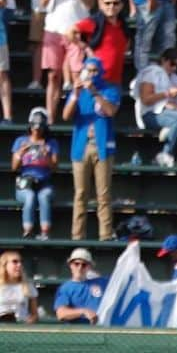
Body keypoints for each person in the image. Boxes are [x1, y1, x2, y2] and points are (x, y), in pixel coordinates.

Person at [40, 0, 96, 127]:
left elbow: (90, 3)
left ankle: (78, 115)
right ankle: (50, 118)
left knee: (77, 76)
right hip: (53, 29)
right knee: (53, 76)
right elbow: (42, 3)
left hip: (77, 31)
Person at [64, 56, 120, 242]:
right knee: (80, 193)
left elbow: (111, 111)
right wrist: (75, 94)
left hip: (103, 147)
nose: (91, 74)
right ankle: (77, 235)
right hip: (81, 146)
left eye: (95, 71)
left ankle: (105, 233)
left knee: (103, 193)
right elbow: (65, 115)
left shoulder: (110, 90)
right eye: (88, 70)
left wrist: (95, 92)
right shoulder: (78, 91)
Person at [136, 48, 177, 167]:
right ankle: (166, 153)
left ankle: (168, 145)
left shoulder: (175, 78)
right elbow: (146, 100)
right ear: (163, 60)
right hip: (151, 114)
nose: (174, 68)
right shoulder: (151, 72)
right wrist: (167, 94)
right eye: (172, 64)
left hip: (170, 113)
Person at [11, 107, 59, 239]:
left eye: (39, 127)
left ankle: (45, 232)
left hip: (44, 183)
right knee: (30, 197)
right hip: (25, 182)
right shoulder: (21, 141)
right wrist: (20, 153)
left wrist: (46, 155)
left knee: (44, 196)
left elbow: (55, 167)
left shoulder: (51, 143)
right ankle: (28, 230)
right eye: (34, 126)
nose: (36, 130)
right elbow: (14, 167)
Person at [53, 247, 107, 324]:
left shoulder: (101, 282)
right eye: (76, 264)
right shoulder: (65, 288)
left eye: (84, 265)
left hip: (99, 331)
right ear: (70, 265)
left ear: (89, 267)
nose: (80, 267)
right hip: (76, 333)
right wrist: (83, 312)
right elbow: (61, 313)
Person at [0, 251, 39, 324]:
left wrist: (30, 321)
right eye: (15, 262)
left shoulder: (28, 285)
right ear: (5, 265)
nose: (19, 264)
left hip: (20, 326)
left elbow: (35, 315)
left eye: (21, 261)